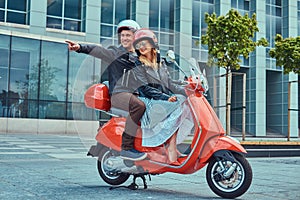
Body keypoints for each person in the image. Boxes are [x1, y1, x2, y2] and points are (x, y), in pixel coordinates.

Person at [66, 20, 147, 161]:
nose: (125, 38)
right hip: (119, 94)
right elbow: (98, 50)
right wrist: (80, 47)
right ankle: (127, 148)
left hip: (134, 95)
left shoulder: (140, 58)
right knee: (139, 106)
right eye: (123, 36)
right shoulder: (115, 53)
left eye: (128, 35)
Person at [132, 29, 188, 163]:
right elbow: (144, 88)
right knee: (177, 104)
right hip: (149, 100)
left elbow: (169, 83)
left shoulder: (161, 62)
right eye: (139, 45)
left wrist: (186, 91)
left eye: (145, 43)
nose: (142, 47)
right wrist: (165, 97)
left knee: (184, 101)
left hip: (161, 99)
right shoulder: (138, 64)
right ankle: (168, 144)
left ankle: (171, 144)